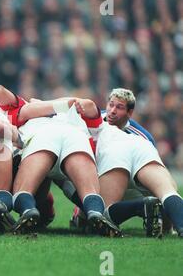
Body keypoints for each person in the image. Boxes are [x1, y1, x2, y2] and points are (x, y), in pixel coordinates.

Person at [76, 97, 183, 238]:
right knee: (167, 192)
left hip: (112, 152)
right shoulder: (144, 135)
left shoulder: (91, 122)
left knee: (101, 218)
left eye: (119, 107)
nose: (113, 111)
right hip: (142, 147)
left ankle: (141, 207)